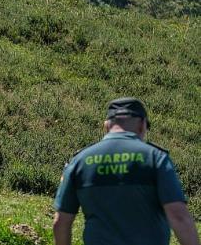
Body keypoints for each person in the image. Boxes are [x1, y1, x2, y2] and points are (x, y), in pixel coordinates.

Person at [53, 97, 200, 245]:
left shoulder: (80, 161)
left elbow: (61, 222)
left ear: (106, 126)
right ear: (142, 125)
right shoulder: (155, 158)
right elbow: (178, 216)